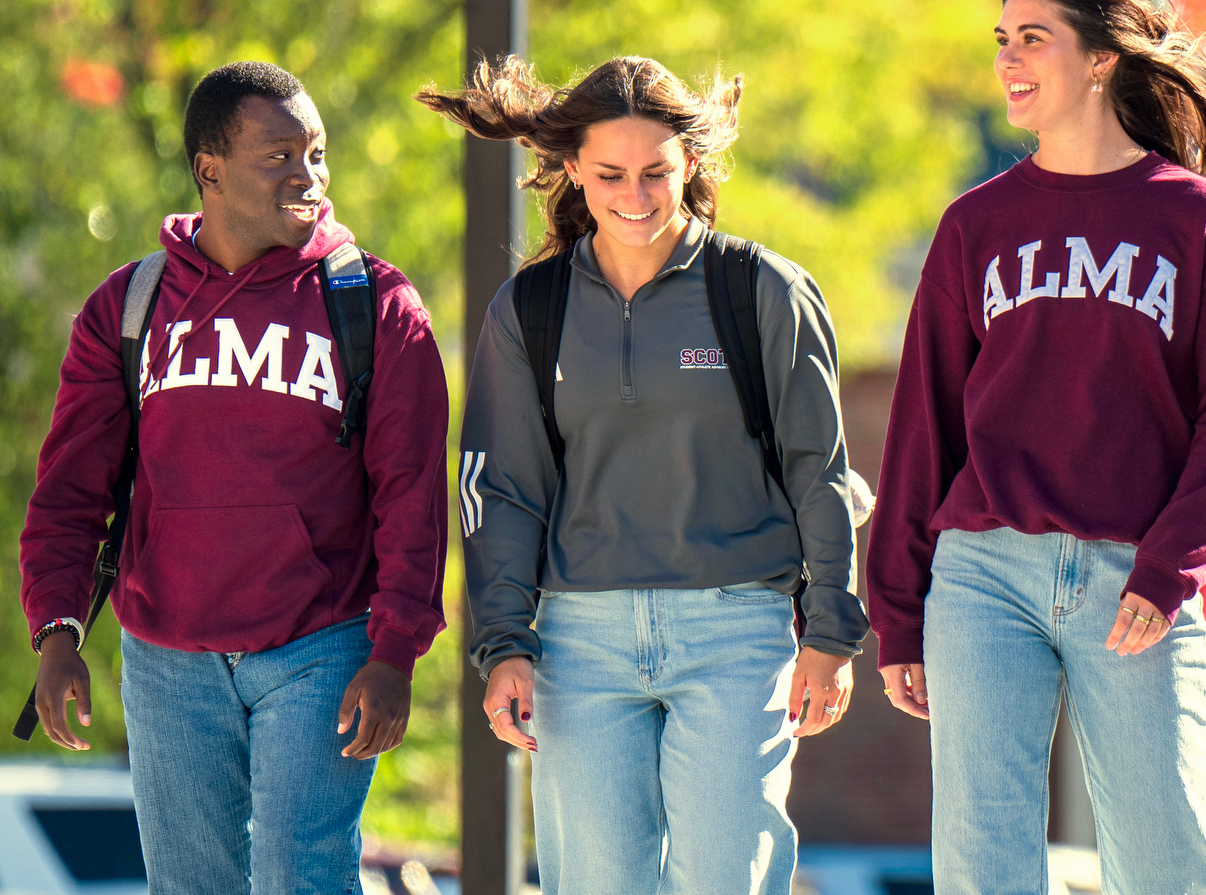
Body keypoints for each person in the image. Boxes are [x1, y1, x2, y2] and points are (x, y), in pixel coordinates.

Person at [868, 0, 1206, 895]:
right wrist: (897, 612)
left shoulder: (1198, 220)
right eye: (1002, 41)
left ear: (1099, 60)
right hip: (984, 578)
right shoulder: (976, 224)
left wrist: (1169, 567)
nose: (1010, 59)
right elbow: (924, 421)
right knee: (982, 863)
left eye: (1034, 39)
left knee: (1162, 858)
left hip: (1133, 581)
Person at [421, 55, 865, 895]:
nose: (635, 194)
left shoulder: (763, 290)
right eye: (611, 174)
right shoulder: (528, 311)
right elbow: (501, 492)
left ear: (690, 165)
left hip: (738, 635)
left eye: (656, 172)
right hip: (578, 647)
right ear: (572, 172)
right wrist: (505, 645)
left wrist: (831, 636)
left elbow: (821, 469)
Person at [20, 61, 450, 894]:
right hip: (166, 659)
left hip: (322, 643)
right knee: (189, 887)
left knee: (301, 875)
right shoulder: (130, 306)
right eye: (280, 156)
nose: (309, 177)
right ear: (209, 171)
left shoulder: (377, 305)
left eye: (317, 155)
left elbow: (412, 499)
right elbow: (70, 490)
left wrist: (396, 650)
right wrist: (58, 629)